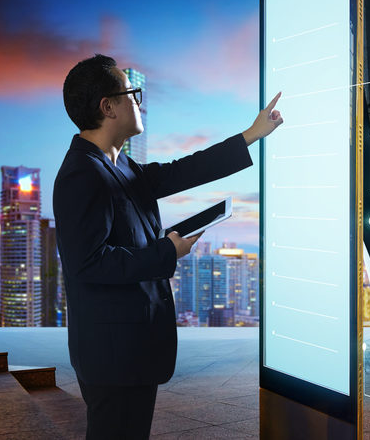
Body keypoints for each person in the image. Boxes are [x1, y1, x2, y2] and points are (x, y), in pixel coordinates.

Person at [53, 54, 282, 439]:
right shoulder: (82, 173)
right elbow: (87, 263)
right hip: (111, 356)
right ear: (107, 107)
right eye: (131, 94)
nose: (138, 102)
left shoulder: (120, 166)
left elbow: (182, 170)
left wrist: (250, 136)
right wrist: (166, 252)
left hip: (131, 349)